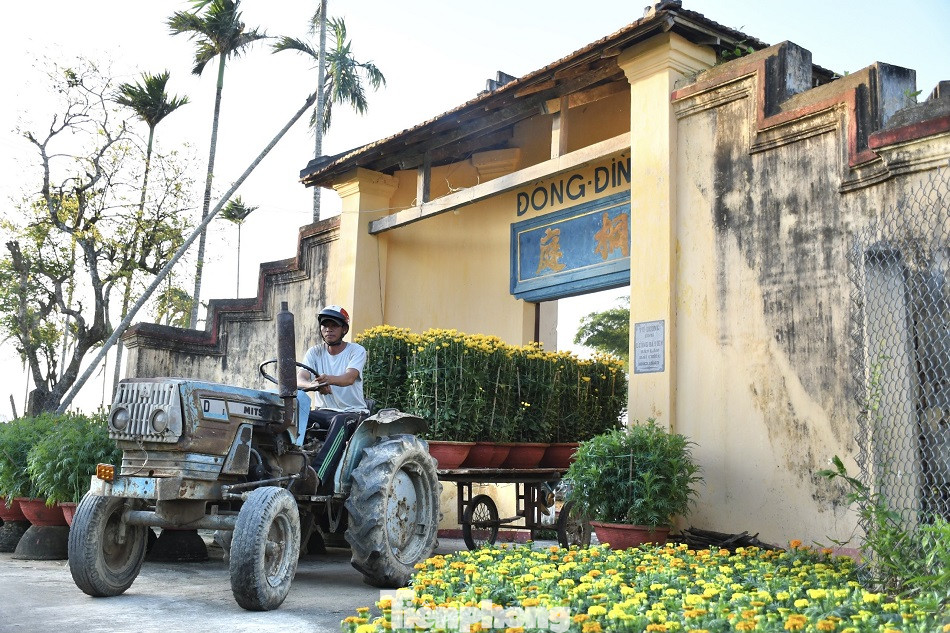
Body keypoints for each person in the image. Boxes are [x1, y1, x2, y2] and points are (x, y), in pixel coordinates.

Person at [297, 305, 370, 492]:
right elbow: (300, 379)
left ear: (344, 329)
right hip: (324, 413)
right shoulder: (315, 352)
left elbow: (349, 377)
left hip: (353, 412)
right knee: (296, 414)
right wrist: (315, 385)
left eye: (334, 325)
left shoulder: (356, 350)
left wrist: (327, 379)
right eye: (325, 325)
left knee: (340, 421)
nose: (328, 329)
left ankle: (316, 475)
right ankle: (291, 465)